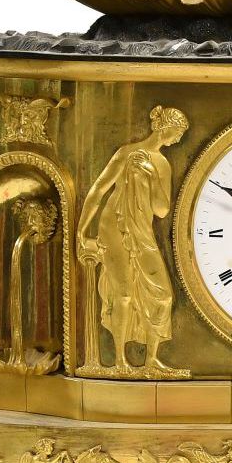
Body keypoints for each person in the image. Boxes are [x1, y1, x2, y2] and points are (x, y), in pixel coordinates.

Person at [77, 106, 189, 375]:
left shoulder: (162, 164)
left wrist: (151, 175)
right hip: (114, 227)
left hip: (142, 231)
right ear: (164, 128)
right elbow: (98, 190)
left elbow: (161, 210)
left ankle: (151, 360)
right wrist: (81, 230)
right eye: (177, 133)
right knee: (124, 294)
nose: (178, 139)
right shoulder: (125, 153)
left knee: (163, 295)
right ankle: (119, 361)